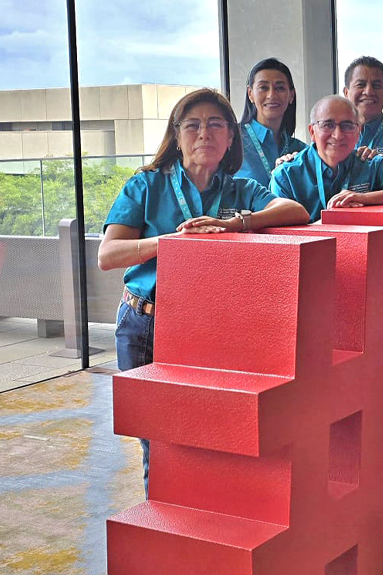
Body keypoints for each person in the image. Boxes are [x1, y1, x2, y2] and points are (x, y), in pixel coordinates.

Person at [98, 88, 310, 494]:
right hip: (149, 325)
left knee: (208, 435)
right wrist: (174, 244)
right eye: (192, 125)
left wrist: (235, 224)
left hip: (211, 330)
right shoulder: (146, 184)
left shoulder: (240, 190)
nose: (204, 134)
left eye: (216, 125)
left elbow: (295, 211)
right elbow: (109, 255)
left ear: (231, 137)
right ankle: (166, 526)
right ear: (176, 136)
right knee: (159, 441)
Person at [271, 95, 383, 222]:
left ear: (358, 132)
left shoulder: (371, 164)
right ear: (312, 131)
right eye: (328, 125)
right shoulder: (286, 175)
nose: (338, 135)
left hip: (364, 252)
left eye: (347, 126)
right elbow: (280, 234)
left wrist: (362, 198)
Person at [235, 58, 307, 186]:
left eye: (280, 88)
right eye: (263, 88)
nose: (271, 95)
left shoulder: (301, 152)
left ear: (291, 95)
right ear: (250, 94)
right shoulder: (231, 141)